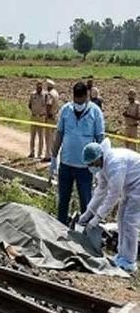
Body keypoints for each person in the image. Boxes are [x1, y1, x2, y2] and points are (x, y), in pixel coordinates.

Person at [78, 140, 140, 272]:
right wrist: (88, 213)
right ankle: (122, 255)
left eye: (91, 164)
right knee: (121, 218)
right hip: (130, 186)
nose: (91, 167)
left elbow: (113, 195)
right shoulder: (103, 167)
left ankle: (129, 261)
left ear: (98, 158)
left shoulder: (115, 164)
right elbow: (100, 192)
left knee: (129, 222)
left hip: (137, 185)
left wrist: (98, 217)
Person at [50, 81, 106, 224]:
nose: (78, 104)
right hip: (66, 164)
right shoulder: (66, 110)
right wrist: (54, 157)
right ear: (73, 97)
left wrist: (100, 166)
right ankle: (60, 227)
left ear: (87, 97)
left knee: (86, 202)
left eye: (81, 101)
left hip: (85, 168)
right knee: (63, 201)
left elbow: (100, 139)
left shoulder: (95, 112)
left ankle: (84, 233)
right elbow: (60, 134)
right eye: (76, 101)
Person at [28, 81, 48, 159]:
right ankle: (32, 152)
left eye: (40, 87)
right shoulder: (32, 95)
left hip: (41, 117)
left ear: (42, 87)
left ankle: (40, 154)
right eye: (37, 87)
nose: (39, 88)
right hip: (33, 117)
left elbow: (47, 106)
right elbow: (29, 105)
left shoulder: (45, 95)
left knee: (41, 136)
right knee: (32, 136)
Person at [43, 79, 59, 161]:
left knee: (48, 137)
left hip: (50, 117)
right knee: (53, 137)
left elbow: (49, 105)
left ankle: (48, 155)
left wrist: (46, 116)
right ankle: (54, 154)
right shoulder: (56, 93)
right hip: (55, 116)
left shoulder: (50, 94)